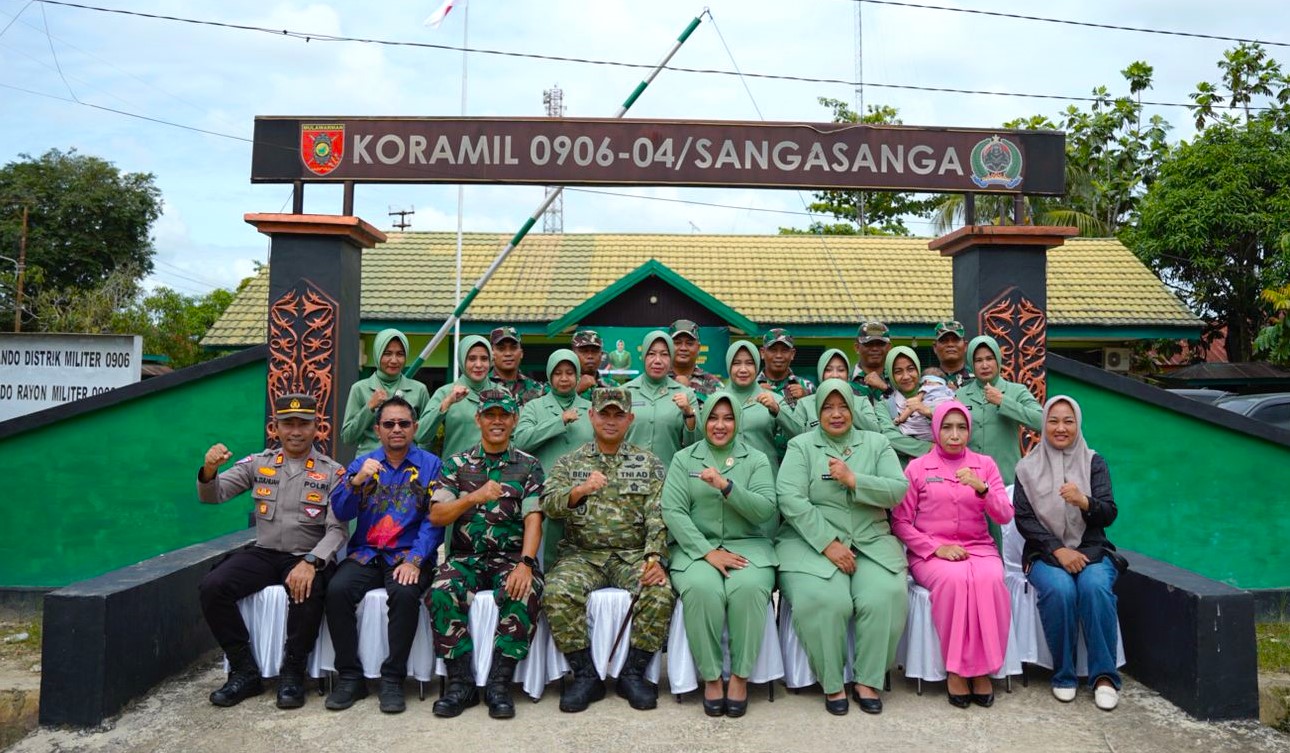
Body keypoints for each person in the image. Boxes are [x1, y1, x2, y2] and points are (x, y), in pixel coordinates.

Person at [196, 394, 347, 709]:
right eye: (288, 423)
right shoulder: (258, 464)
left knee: (309, 588)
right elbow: (214, 495)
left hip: (306, 553)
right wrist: (209, 469)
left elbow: (337, 531)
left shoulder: (332, 472)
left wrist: (311, 562)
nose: (295, 431)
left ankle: (293, 671)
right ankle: (244, 669)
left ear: (315, 427)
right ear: (275, 427)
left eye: (303, 424)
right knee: (213, 587)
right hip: (265, 552)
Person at [775, 379, 909, 716]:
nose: (836, 414)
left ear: (853, 408)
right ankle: (832, 682)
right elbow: (789, 498)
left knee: (886, 594)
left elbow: (897, 489)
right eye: (827, 408)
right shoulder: (801, 446)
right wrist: (827, 543)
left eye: (843, 407)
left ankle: (868, 680)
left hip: (870, 542)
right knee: (825, 600)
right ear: (817, 411)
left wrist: (856, 481)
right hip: (810, 543)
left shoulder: (876, 443)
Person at [540, 388, 674, 713]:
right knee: (556, 592)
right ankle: (585, 675)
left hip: (631, 555)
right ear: (591, 416)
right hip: (581, 555)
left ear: (630, 418)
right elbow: (548, 504)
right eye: (604, 414)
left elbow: (659, 515)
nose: (610, 421)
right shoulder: (571, 462)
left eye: (618, 414)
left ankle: (633, 673)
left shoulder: (648, 463)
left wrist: (654, 557)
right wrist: (579, 491)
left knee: (660, 593)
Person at [426, 390, 546, 719]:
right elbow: (437, 516)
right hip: (465, 558)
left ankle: (499, 683)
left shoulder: (529, 466)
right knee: (440, 592)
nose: (497, 421)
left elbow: (534, 520)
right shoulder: (456, 464)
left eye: (504, 415)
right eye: (490, 415)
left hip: (509, 558)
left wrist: (526, 564)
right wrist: (471, 497)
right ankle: (460, 683)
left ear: (514, 420)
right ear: (478, 419)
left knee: (525, 591)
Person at [661, 391, 777, 718]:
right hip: (696, 550)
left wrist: (728, 487)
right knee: (702, 590)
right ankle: (711, 678)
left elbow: (765, 509)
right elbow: (673, 510)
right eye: (713, 417)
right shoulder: (685, 459)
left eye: (728, 418)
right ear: (703, 419)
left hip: (749, 548)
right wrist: (707, 551)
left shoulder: (756, 459)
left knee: (749, 589)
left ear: (738, 421)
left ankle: (740, 677)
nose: (720, 425)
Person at [324, 397, 444, 714]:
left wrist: (416, 560)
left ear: (415, 428)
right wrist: (357, 480)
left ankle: (392, 679)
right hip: (365, 554)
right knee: (336, 591)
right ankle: (350, 677)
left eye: (403, 423)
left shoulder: (431, 465)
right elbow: (341, 509)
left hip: (405, 555)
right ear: (377, 429)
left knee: (405, 595)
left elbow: (434, 520)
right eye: (389, 424)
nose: (396, 429)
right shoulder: (362, 464)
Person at [891, 401, 1013, 708]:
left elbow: (1004, 515)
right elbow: (900, 522)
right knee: (955, 582)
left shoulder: (984, 465)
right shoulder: (917, 468)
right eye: (947, 427)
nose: (954, 435)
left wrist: (983, 489)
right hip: (931, 553)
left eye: (961, 427)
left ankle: (983, 669)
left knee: (991, 579)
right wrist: (936, 548)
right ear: (935, 430)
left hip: (979, 548)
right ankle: (957, 669)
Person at [1013, 395, 1124, 712]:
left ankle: (1104, 677)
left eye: (1068, 421)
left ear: (1078, 424)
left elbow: (1109, 513)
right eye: (1053, 421)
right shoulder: (1026, 468)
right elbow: (1024, 519)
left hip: (1091, 550)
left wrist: (1084, 501)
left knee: (1094, 587)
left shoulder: (1094, 462)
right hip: (1044, 552)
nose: (1060, 428)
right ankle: (1064, 674)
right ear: (1043, 424)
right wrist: (1058, 550)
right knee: (1060, 589)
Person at [513, 349, 594, 566]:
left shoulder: (591, 409)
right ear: (549, 376)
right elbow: (519, 441)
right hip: (546, 494)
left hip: (584, 495)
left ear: (578, 375)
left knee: (584, 559)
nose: (565, 378)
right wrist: (559, 421)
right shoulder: (534, 407)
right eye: (558, 373)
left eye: (570, 372)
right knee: (547, 559)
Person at [957, 335, 1043, 486]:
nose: (985, 365)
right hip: (968, 481)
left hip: (1005, 481)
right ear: (971, 363)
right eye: (978, 360)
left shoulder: (1016, 391)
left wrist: (1004, 402)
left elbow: (1042, 421)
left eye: (989, 358)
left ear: (998, 360)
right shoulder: (960, 395)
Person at [341, 328, 432, 455]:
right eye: (387, 353)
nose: (394, 360)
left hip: (408, 466)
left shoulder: (419, 390)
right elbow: (348, 437)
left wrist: (422, 464)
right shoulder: (360, 388)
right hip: (370, 465)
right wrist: (369, 408)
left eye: (400, 354)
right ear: (377, 354)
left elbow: (425, 436)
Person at [722, 340, 804, 479]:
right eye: (736, 363)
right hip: (725, 477)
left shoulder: (773, 399)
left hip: (764, 478)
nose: (743, 369)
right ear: (728, 365)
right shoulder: (717, 400)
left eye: (749, 363)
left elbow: (800, 434)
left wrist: (777, 411)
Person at [622, 330, 698, 467]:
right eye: (651, 354)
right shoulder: (625, 392)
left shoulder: (686, 395)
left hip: (669, 479)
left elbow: (695, 444)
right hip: (628, 478)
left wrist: (688, 413)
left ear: (671, 358)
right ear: (643, 356)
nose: (657, 360)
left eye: (664, 354)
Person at [421, 335, 504, 458]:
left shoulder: (502, 394)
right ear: (462, 360)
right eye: (471, 359)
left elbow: (514, 437)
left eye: (484, 359)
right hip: (456, 473)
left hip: (495, 473)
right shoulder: (445, 393)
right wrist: (447, 403)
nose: (479, 364)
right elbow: (421, 435)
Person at [792, 349, 884, 434]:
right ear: (821, 373)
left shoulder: (862, 401)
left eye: (841, 370)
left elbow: (875, 431)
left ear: (848, 375)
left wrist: (848, 406)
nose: (835, 375)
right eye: (828, 370)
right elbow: (796, 435)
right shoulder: (804, 404)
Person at [875, 346, 934, 463]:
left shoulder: (935, 396)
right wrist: (931, 448)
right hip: (902, 469)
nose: (906, 376)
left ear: (918, 369)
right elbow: (889, 437)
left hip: (938, 471)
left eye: (911, 369)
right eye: (898, 372)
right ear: (891, 375)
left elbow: (950, 422)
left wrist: (928, 411)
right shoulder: (884, 405)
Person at [756, 328, 814, 411]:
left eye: (784, 350)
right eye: (773, 350)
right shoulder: (750, 386)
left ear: (792, 354)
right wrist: (754, 395)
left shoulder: (807, 387)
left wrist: (805, 400)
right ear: (762, 353)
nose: (779, 355)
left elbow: (816, 420)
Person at [488, 326, 547, 406]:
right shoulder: (482, 385)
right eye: (501, 349)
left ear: (521, 353)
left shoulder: (537, 389)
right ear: (492, 353)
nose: (508, 353)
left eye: (513, 348)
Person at [893, 368, 955, 442]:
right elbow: (958, 403)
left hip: (930, 411)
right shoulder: (948, 390)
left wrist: (900, 419)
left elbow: (913, 405)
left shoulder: (926, 388)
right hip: (947, 412)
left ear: (926, 381)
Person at [668, 319, 723, 399]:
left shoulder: (712, 383)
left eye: (689, 343)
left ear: (698, 348)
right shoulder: (657, 379)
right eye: (677, 343)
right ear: (668, 346)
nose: (683, 348)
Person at [851, 321, 892, 404]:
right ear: (857, 348)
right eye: (868, 343)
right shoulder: (846, 379)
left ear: (888, 347)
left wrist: (887, 390)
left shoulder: (896, 379)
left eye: (880, 343)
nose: (875, 348)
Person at [932, 320, 973, 391]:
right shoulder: (928, 380)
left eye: (956, 340)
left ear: (965, 346)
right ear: (935, 347)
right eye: (944, 340)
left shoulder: (977, 378)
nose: (950, 344)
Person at [572, 329, 612, 398]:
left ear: (601, 355)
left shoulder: (613, 386)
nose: (590, 356)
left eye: (594, 351)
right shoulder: (561, 385)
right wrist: (577, 390)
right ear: (573, 354)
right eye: (584, 351)